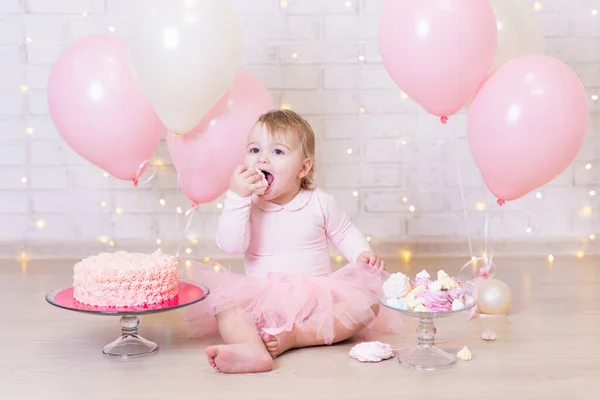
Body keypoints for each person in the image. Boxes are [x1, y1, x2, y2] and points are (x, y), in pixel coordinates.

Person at [187, 109, 398, 374]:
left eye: (277, 152)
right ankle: (250, 347)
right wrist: (236, 198)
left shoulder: (319, 202)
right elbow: (231, 244)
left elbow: (344, 232)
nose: (262, 158)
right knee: (225, 305)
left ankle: (297, 336)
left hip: (317, 301)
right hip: (259, 300)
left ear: (304, 167)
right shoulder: (246, 204)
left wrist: (361, 254)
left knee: (368, 302)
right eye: (254, 150)